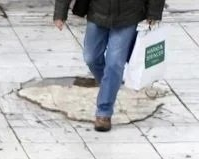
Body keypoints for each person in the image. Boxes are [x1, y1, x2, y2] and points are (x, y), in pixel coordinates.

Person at [52, 0, 163, 132]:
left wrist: (154, 12)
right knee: (91, 57)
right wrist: (60, 13)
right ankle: (109, 85)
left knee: (114, 63)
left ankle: (104, 112)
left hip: (129, 15)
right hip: (97, 11)